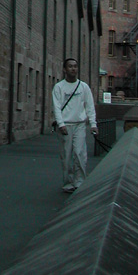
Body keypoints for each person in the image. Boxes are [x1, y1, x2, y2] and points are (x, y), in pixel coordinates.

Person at [52, 58, 98, 193]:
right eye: (70, 66)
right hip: (66, 125)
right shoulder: (59, 87)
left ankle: (79, 181)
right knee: (66, 155)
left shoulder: (84, 87)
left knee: (80, 153)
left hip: (79, 124)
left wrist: (93, 124)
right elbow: (56, 107)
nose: (73, 69)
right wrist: (61, 124)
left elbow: (90, 106)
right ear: (65, 69)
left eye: (75, 66)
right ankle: (68, 182)